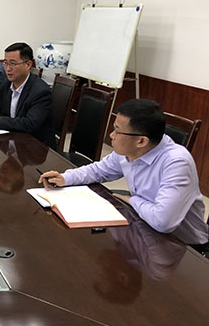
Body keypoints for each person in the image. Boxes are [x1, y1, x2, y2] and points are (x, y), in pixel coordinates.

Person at [39, 99, 209, 246]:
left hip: (183, 246)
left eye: (117, 131)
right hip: (144, 228)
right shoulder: (130, 150)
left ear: (141, 141)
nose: (111, 135)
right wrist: (65, 178)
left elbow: (163, 222)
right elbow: (98, 170)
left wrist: (133, 200)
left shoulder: (177, 162)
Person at [0, 42, 55, 148]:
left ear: (28, 65)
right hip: (13, 141)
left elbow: (30, 123)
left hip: (36, 148)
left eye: (12, 64)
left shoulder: (40, 91)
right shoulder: (7, 83)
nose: (7, 69)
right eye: (5, 63)